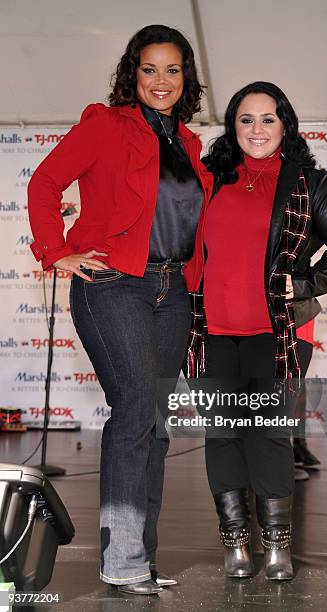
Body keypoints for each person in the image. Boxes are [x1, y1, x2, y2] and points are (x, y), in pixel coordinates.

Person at [28, 24, 213, 596]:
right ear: (132, 74)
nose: (161, 81)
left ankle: (139, 558)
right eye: (150, 69)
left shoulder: (190, 144)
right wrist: (56, 252)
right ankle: (123, 558)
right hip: (113, 285)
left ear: (187, 78)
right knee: (134, 409)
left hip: (172, 291)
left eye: (173, 70)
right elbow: (44, 182)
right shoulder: (104, 126)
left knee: (153, 423)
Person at [185, 81, 327, 580]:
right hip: (211, 333)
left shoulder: (308, 183)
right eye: (246, 119)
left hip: (278, 333)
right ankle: (236, 544)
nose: (257, 129)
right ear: (232, 126)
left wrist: (310, 281)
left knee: (268, 435)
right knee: (222, 435)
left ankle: (277, 546)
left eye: (269, 118)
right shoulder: (209, 178)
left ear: (284, 124)